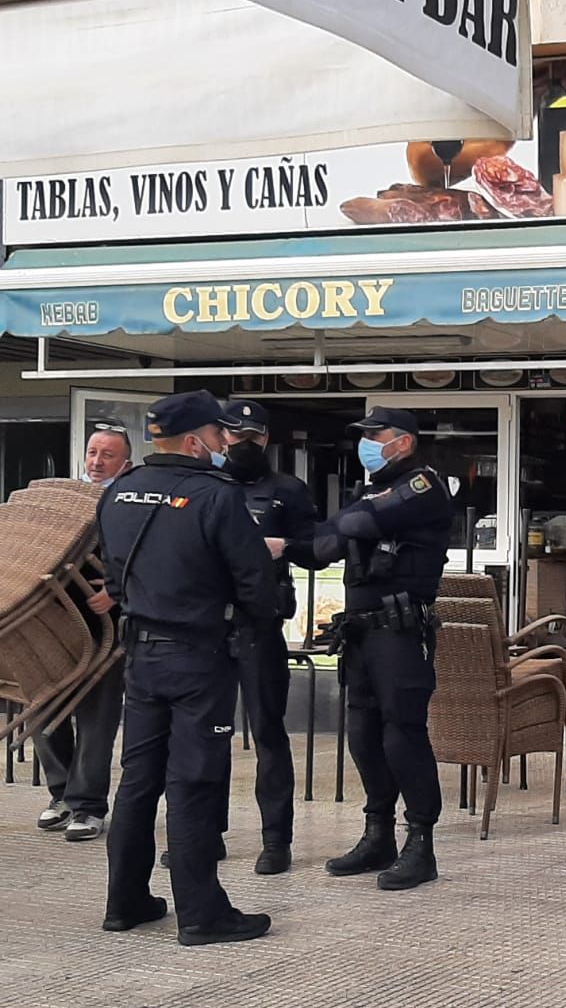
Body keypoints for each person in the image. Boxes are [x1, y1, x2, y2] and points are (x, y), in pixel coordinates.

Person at [98, 390, 278, 945]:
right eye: (221, 435)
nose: (227, 444)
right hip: (199, 657)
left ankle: (125, 901)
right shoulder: (215, 497)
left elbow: (111, 576)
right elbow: (255, 584)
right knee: (194, 783)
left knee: (137, 780)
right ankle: (202, 913)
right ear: (197, 439)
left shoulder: (119, 492)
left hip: (141, 655)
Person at [276, 407, 450, 891]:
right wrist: (285, 544)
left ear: (405, 442)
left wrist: (340, 526)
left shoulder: (423, 486)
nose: (367, 443)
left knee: (403, 734)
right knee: (363, 733)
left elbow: (356, 526)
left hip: (399, 630)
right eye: (365, 435)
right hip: (361, 633)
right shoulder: (368, 490)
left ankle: (421, 843)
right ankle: (379, 833)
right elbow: (323, 547)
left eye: (377, 435)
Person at [220, 400, 319, 876]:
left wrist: (287, 546)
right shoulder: (204, 486)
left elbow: (318, 548)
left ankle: (276, 840)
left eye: (252, 437)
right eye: (235, 436)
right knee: (202, 739)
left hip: (260, 626)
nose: (243, 445)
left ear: (265, 440)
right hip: (207, 627)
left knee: (268, 734)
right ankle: (201, 833)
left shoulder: (287, 490)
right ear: (222, 437)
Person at [35, 427, 130, 842]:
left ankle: (88, 805)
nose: (97, 461)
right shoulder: (64, 503)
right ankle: (61, 795)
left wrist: (116, 592)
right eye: (92, 452)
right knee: (42, 711)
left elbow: (147, 558)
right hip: (52, 624)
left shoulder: (129, 502)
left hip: (105, 628)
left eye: (107, 455)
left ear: (125, 462)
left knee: (96, 719)